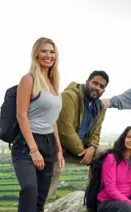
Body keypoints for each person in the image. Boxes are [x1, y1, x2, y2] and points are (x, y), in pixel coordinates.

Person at [11, 37, 64, 212]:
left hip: (49, 144)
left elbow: (52, 120)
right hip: (27, 144)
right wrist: (33, 149)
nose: (48, 55)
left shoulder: (53, 83)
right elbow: (21, 115)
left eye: (52, 52)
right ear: (36, 54)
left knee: (41, 196)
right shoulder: (29, 79)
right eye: (44, 51)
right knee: (29, 189)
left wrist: (59, 150)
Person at [47, 70, 110, 199]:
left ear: (103, 91)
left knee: (104, 156)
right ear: (87, 82)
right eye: (95, 83)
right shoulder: (69, 96)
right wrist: (84, 152)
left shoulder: (100, 108)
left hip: (80, 148)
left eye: (101, 86)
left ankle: (94, 199)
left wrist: (92, 148)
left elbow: (96, 133)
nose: (97, 88)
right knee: (47, 189)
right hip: (57, 147)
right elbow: (65, 132)